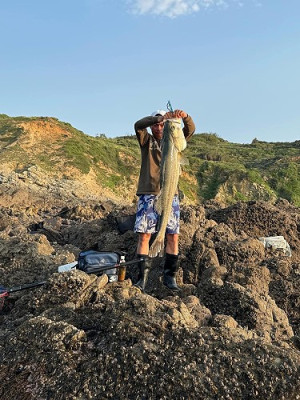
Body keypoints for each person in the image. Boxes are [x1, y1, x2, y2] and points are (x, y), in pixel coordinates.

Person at [133, 108, 195, 292]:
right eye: (156, 125)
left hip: (171, 194)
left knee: (172, 235)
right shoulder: (147, 141)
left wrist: (184, 117)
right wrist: (158, 118)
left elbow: (190, 129)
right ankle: (141, 279)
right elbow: (138, 125)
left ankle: (170, 278)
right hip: (148, 193)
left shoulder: (176, 141)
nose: (159, 128)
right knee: (144, 235)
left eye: (162, 125)